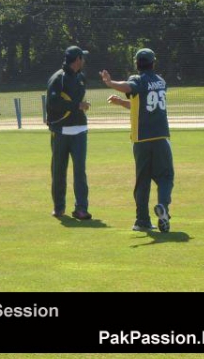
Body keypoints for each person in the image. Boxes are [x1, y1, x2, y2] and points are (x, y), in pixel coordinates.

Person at [99, 48, 174, 232]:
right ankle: (163, 206)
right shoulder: (161, 82)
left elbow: (128, 86)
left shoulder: (138, 80)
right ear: (153, 63)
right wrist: (122, 103)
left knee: (143, 181)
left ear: (136, 63)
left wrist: (110, 82)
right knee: (165, 177)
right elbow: (141, 104)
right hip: (161, 138)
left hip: (141, 140)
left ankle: (142, 221)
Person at [46, 45, 92, 220]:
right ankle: (59, 207)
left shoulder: (81, 77)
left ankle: (81, 208)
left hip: (80, 130)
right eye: (83, 57)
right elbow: (52, 103)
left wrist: (80, 106)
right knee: (59, 170)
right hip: (60, 132)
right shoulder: (58, 78)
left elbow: (77, 100)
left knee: (80, 171)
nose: (84, 61)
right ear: (77, 60)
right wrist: (76, 106)